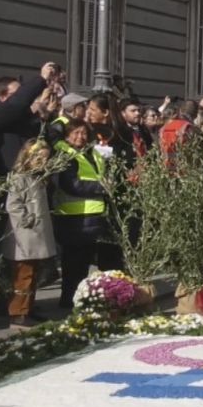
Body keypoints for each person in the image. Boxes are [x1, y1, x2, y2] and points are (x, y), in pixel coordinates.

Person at [52, 118, 120, 307]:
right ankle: (68, 299)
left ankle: (81, 297)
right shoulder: (64, 154)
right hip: (73, 215)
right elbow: (71, 184)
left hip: (94, 213)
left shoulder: (91, 152)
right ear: (67, 136)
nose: (80, 137)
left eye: (83, 133)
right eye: (75, 133)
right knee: (73, 263)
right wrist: (102, 187)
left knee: (85, 261)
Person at [3, 140, 56, 327]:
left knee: (33, 273)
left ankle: (28, 308)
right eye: (38, 158)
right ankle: (17, 312)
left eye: (45, 158)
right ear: (28, 157)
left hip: (37, 233)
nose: (42, 161)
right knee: (23, 274)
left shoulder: (39, 177)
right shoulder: (20, 178)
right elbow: (13, 205)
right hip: (25, 234)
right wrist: (27, 219)